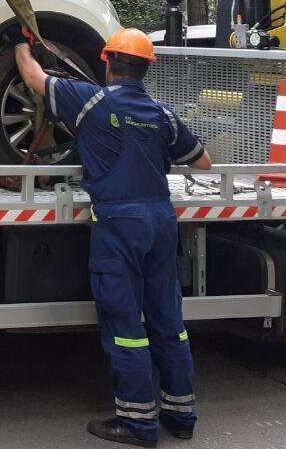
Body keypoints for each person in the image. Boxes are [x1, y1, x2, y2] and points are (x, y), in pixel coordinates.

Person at [14, 27, 213, 447]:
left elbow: (33, 78)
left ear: (107, 63)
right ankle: (181, 416)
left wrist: (18, 43)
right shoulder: (163, 114)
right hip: (161, 221)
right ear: (145, 70)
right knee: (169, 322)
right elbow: (205, 163)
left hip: (120, 224)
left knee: (126, 327)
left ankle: (138, 424)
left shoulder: (89, 101)